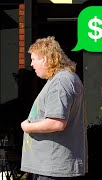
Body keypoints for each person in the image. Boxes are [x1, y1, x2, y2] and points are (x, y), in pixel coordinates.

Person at [20, 36, 88, 180]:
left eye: (33, 59)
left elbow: (56, 122)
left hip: (52, 168)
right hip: (50, 166)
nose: (31, 64)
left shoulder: (61, 82)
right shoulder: (65, 78)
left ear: (44, 59)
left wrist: (27, 127)